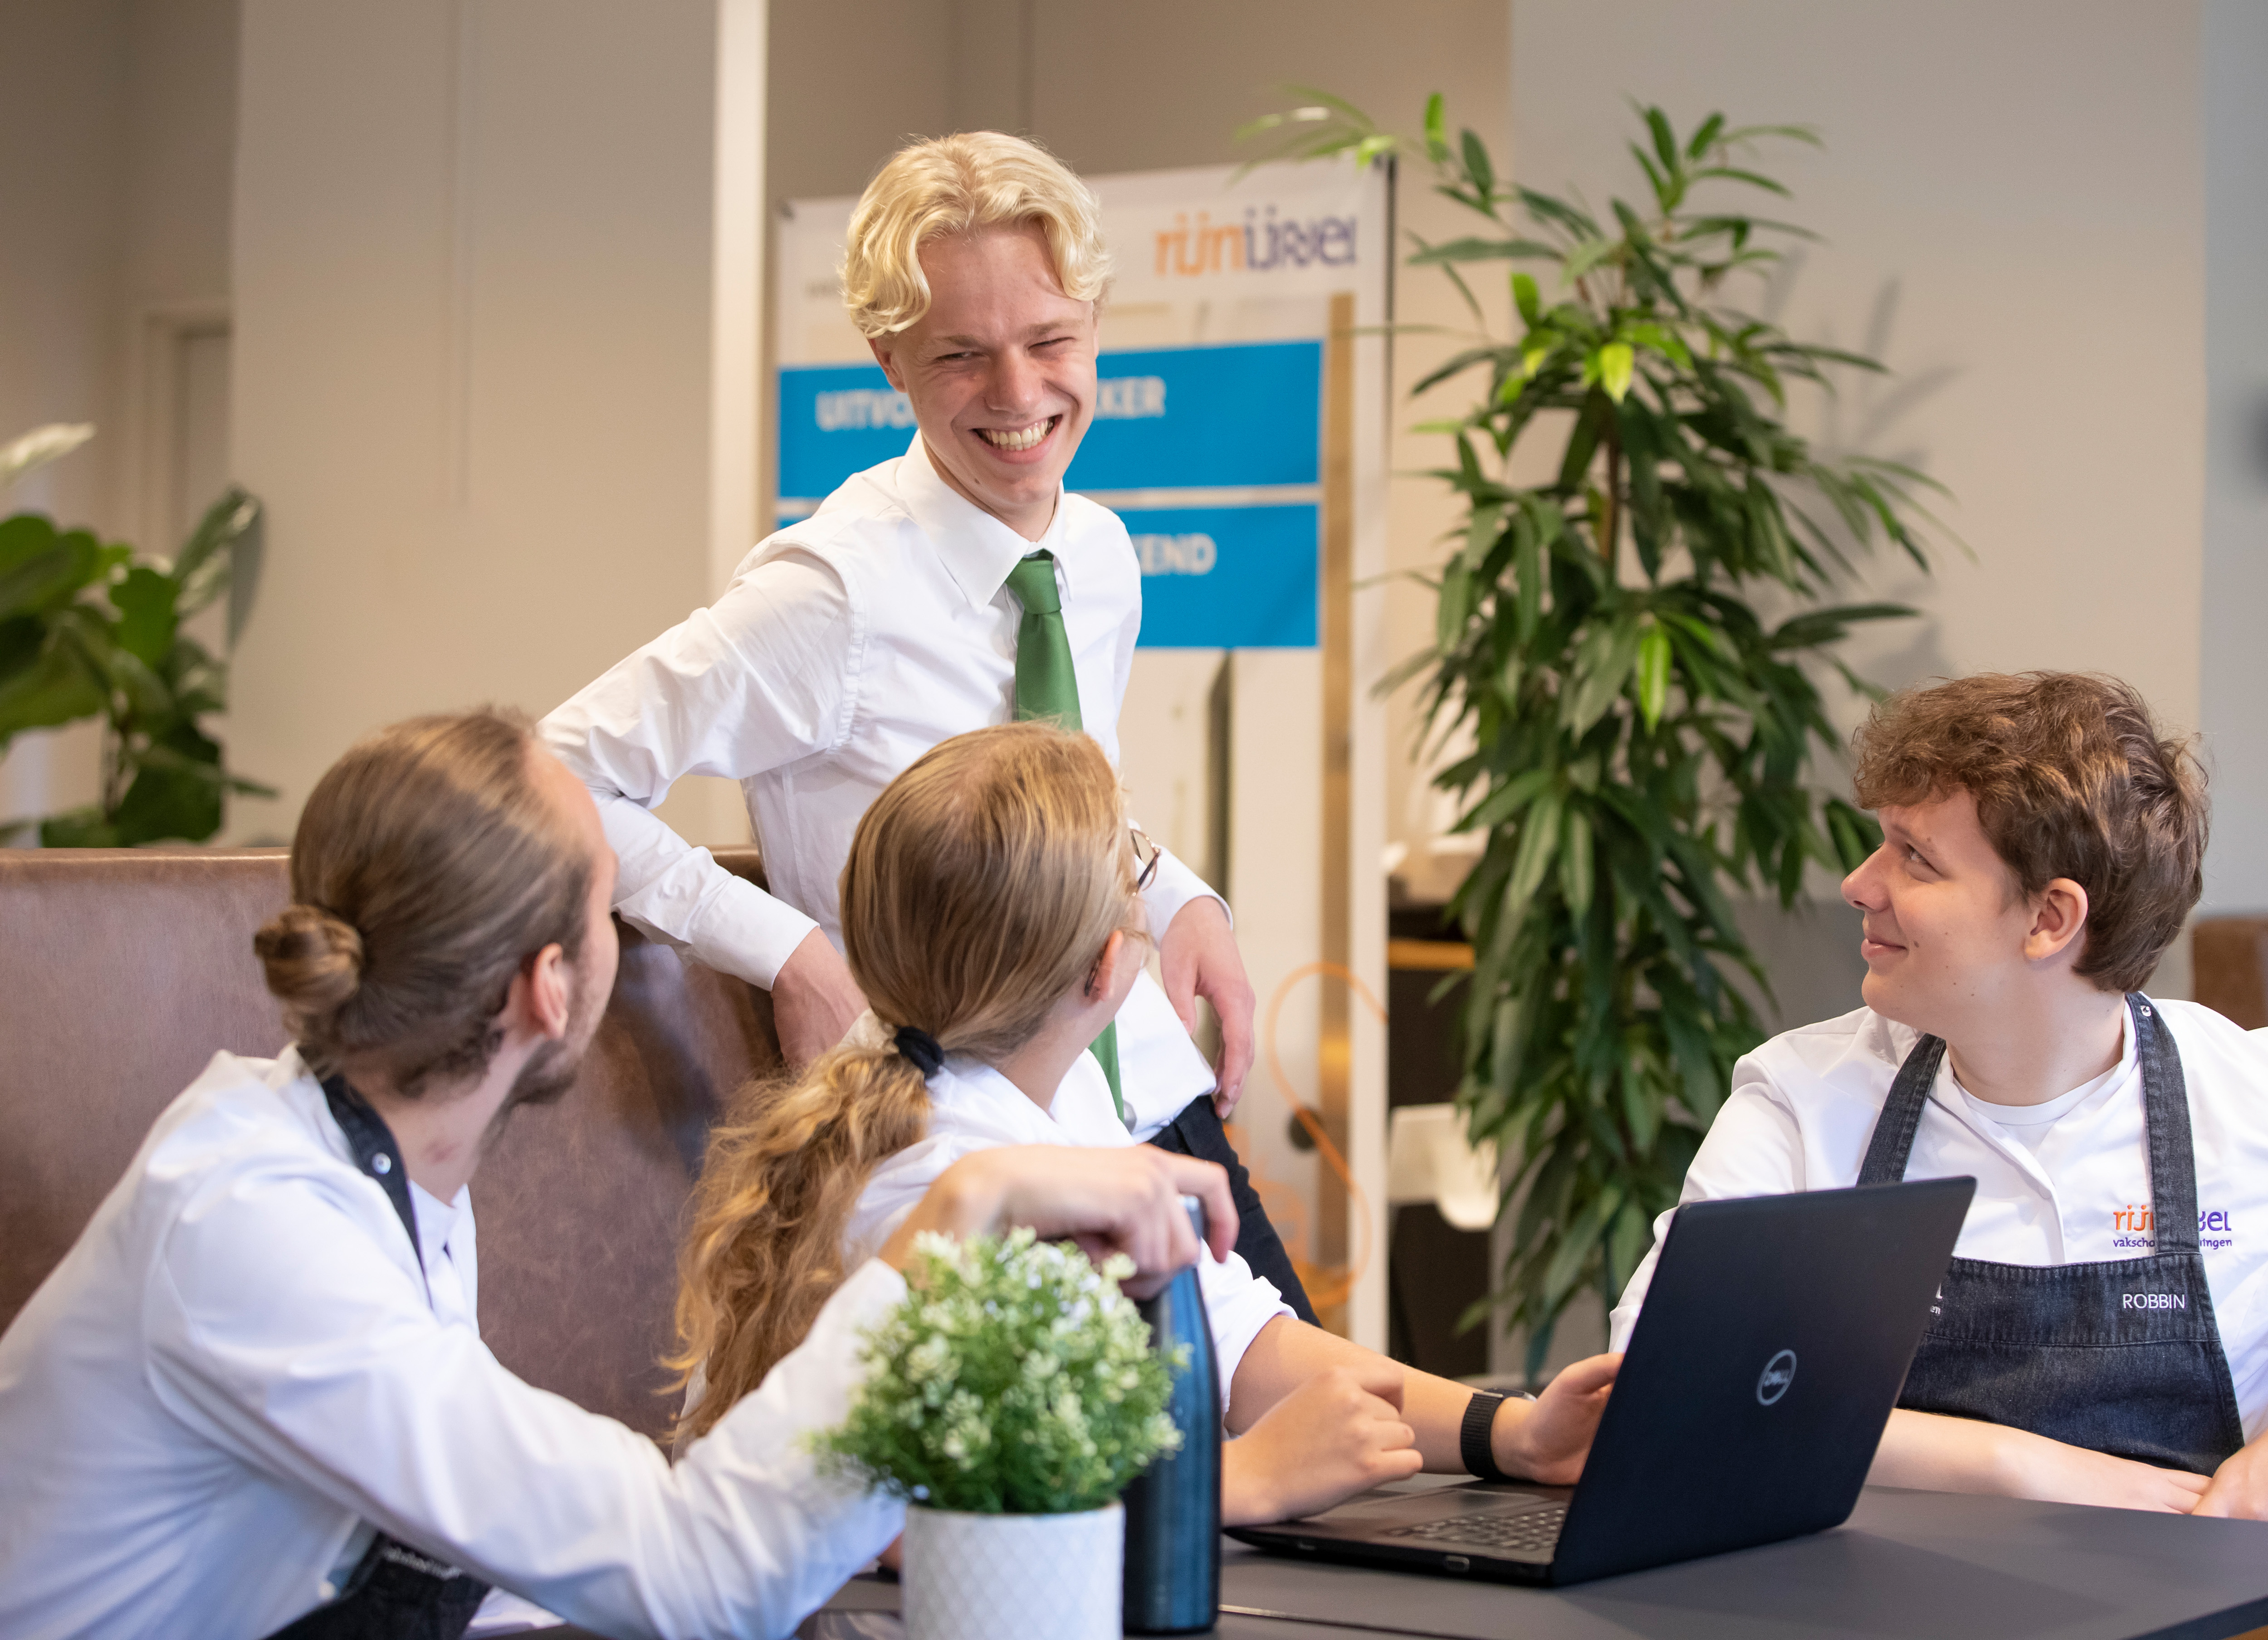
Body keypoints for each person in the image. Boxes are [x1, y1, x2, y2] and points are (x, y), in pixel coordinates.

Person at [0, 709, 1239, 1640]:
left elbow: (490, 1556)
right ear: (550, 988)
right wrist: (963, 1220)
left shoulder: (368, 1168)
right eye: (608, 909)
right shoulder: (252, 1236)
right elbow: (698, 1578)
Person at [538, 130, 1315, 1321]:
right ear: (888, 357)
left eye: (1052, 341)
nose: (1019, 396)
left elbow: (1070, 793)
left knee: (1326, 1434)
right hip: (954, 1140)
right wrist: (782, 949)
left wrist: (1175, 897)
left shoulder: (1098, 555)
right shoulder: (827, 595)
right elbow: (555, 772)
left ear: (1095, 323)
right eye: (962, 356)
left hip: (1141, 1085)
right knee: (1180, 1487)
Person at [673, 722, 1621, 1526]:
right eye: (1143, 882)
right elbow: (940, 1504)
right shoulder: (927, 1182)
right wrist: (1237, 1480)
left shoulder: (1059, 1084)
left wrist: (1505, 1431)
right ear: (1103, 970)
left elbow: (1235, 1331)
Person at [1608, 672, 2268, 1518]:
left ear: (2049, 921)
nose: (1858, 883)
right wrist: (2019, 1465)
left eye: (1914, 856)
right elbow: (1658, 1384)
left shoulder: (2246, 1100)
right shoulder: (1808, 1100)